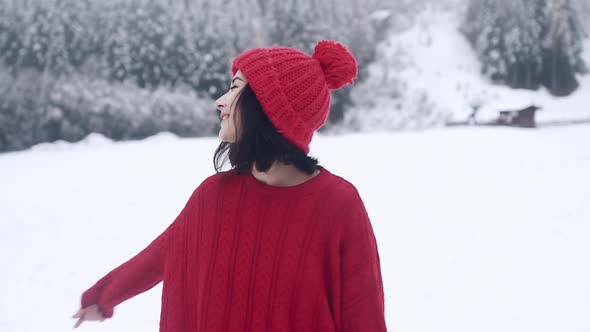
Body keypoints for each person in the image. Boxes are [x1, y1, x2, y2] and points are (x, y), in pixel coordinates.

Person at [73, 40, 387, 331]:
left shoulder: (339, 205)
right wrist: (102, 296)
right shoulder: (213, 196)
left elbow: (364, 312)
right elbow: (162, 254)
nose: (219, 102)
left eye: (234, 88)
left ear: (267, 105)